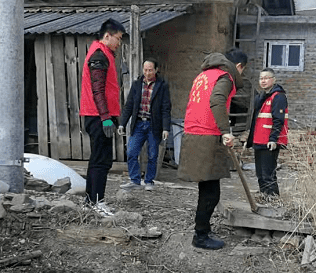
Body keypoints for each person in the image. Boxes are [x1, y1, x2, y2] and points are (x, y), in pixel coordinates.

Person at [178, 49, 247, 250]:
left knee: (206, 187)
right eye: (242, 71)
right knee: (211, 191)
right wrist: (225, 131)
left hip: (193, 132)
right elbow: (216, 100)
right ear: (239, 67)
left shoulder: (203, 75)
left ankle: (204, 229)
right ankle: (200, 236)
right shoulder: (225, 77)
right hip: (207, 135)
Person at [80, 19, 126, 214]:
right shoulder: (99, 56)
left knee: (97, 158)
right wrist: (106, 117)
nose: (119, 43)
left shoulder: (102, 53)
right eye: (118, 38)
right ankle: (97, 202)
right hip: (98, 116)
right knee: (102, 160)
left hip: (97, 115)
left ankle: (90, 200)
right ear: (107, 36)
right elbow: (97, 90)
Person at [118, 59, 172, 191]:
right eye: (145, 70)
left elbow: (166, 108)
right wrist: (122, 124)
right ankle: (135, 180)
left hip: (154, 125)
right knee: (131, 151)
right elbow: (129, 105)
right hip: (138, 124)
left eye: (150, 70)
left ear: (156, 70)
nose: (147, 73)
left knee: (153, 154)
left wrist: (165, 128)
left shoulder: (162, 85)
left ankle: (149, 181)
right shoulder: (137, 84)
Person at [245, 67, 288, 198]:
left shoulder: (278, 97)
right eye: (261, 78)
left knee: (268, 172)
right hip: (259, 139)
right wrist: (250, 140)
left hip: (269, 141)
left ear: (273, 80)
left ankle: (273, 197)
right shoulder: (261, 97)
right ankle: (264, 194)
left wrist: (273, 139)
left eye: (266, 78)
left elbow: (278, 120)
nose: (263, 81)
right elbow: (255, 120)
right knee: (260, 173)